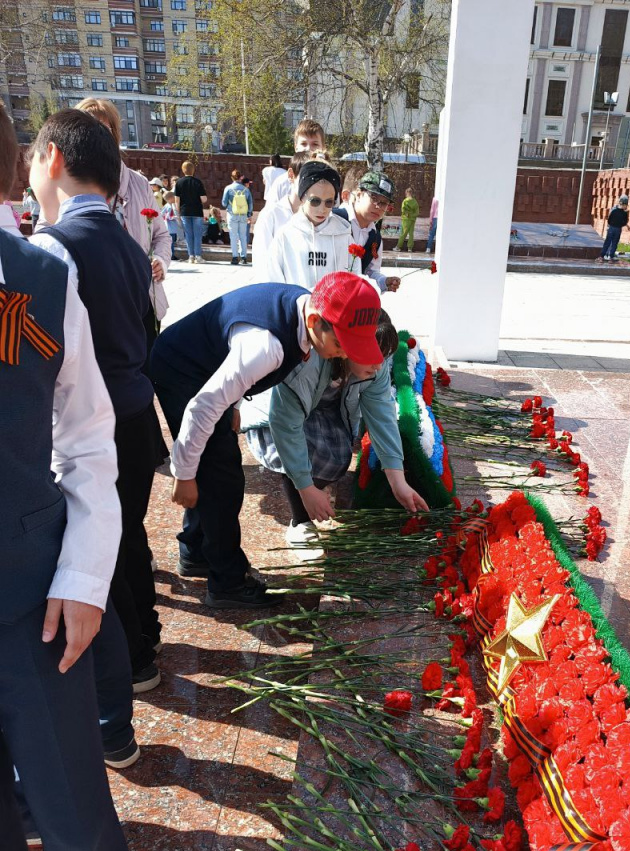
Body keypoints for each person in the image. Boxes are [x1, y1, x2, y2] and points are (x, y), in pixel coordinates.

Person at [0, 98, 134, 851]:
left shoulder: (37, 279)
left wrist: (86, 576)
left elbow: (87, 436)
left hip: (26, 581)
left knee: (61, 780)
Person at [150, 272, 409, 608]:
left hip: (212, 373)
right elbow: (203, 405)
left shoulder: (307, 314)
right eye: (340, 346)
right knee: (221, 479)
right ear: (317, 322)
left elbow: (232, 364)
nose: (343, 355)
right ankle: (226, 583)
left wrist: (236, 402)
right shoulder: (269, 346)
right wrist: (183, 473)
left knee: (217, 466)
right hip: (183, 372)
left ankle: (196, 551)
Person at [30, 109, 165, 695]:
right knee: (128, 532)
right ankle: (147, 644)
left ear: (52, 160)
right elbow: (149, 323)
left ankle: (128, 662)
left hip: (91, 425)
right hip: (135, 415)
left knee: (97, 547)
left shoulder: (49, 252)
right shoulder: (132, 248)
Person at [241, 310, 425, 558]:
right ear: (350, 346)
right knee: (303, 451)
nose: (379, 366)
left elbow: (381, 413)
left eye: (384, 358)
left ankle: (310, 487)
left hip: (321, 409)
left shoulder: (373, 362)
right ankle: (300, 523)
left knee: (336, 458)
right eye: (372, 356)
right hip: (276, 417)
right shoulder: (308, 361)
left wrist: (397, 480)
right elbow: (286, 426)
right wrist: (306, 490)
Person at [74, 98, 171, 348]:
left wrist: (160, 261)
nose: (96, 137)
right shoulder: (68, 185)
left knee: (146, 374)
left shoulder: (138, 184)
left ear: (115, 134)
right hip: (92, 306)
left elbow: (161, 235)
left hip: (141, 300)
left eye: (104, 130)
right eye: (87, 129)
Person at [265, 161, 357, 289]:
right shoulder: (286, 236)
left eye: (329, 202)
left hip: (335, 308)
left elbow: (354, 277)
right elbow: (273, 280)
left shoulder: (344, 235)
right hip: (296, 307)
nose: (322, 209)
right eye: (315, 201)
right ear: (302, 197)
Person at [251, 151, 318, 280]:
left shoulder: (321, 218)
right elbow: (262, 265)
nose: (311, 186)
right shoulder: (271, 215)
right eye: (307, 178)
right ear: (291, 175)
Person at [335, 169, 401, 293]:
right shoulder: (335, 219)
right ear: (359, 194)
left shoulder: (375, 237)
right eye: (374, 198)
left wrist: (384, 281)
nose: (378, 207)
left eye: (384, 203)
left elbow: (369, 272)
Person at [265, 120, 326, 205]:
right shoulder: (281, 183)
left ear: (323, 148)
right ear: (296, 147)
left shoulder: (328, 183)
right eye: (303, 144)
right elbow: (269, 214)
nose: (308, 149)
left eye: (315, 144)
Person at [173, 159, 208, 263]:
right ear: (193, 170)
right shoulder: (197, 182)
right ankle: (198, 257)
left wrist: (178, 212)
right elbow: (204, 199)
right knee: (197, 234)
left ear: (183, 170)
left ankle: (191, 256)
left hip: (184, 212)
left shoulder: (178, 182)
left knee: (188, 234)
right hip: (197, 211)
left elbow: (176, 200)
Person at [221, 170, 252, 266]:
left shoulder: (228, 188)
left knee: (233, 236)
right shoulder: (246, 190)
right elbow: (250, 203)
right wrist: (249, 214)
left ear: (232, 177)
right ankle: (244, 257)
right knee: (243, 236)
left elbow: (224, 203)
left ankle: (235, 257)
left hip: (232, 214)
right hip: (243, 215)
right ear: (240, 178)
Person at [601, 195, 630, 262]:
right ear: (624, 203)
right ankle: (608, 255)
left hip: (612, 227)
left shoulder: (615, 210)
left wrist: (626, 226)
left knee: (610, 242)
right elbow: (623, 221)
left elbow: (610, 219)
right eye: (626, 204)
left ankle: (607, 255)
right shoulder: (621, 211)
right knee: (611, 242)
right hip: (614, 228)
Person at [395, 187, 419, 253]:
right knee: (411, 234)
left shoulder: (405, 201)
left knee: (403, 233)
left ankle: (398, 247)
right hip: (412, 220)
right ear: (412, 193)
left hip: (406, 219)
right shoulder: (415, 202)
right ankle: (410, 248)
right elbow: (417, 212)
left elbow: (403, 210)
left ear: (407, 193)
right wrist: (412, 215)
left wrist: (407, 214)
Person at [161, 189, 178, 259]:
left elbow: (161, 214)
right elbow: (167, 216)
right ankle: (171, 255)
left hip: (170, 228)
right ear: (171, 198)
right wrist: (174, 217)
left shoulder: (167, 206)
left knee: (171, 242)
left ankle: (170, 254)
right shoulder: (170, 207)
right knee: (171, 242)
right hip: (171, 228)